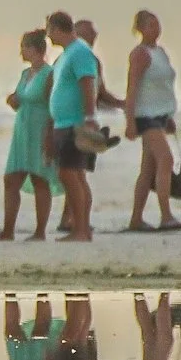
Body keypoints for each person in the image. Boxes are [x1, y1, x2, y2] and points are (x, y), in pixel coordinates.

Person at [0, 29, 60, 241]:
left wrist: (50, 137)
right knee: (11, 179)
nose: (21, 51)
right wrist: (13, 100)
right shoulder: (25, 74)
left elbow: (52, 106)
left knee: (40, 179)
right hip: (22, 129)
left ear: (36, 49)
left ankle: (40, 231)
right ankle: (8, 230)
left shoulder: (49, 74)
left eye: (25, 46)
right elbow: (22, 98)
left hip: (40, 130)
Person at [57, 19, 123, 232]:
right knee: (74, 173)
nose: (93, 37)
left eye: (94, 34)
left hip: (81, 122)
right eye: (89, 34)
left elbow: (99, 92)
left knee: (77, 173)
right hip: (73, 121)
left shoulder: (90, 60)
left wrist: (122, 104)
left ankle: (77, 221)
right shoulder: (67, 57)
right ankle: (71, 219)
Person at [124, 11, 181, 232]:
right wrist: (129, 121)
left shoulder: (160, 52)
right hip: (145, 116)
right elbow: (132, 89)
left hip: (160, 116)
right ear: (140, 28)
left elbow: (165, 86)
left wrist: (169, 116)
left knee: (148, 169)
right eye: (150, 25)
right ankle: (166, 215)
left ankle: (136, 219)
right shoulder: (139, 54)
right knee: (166, 159)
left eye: (157, 24)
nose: (156, 28)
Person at [45, 12, 101, 242]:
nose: (47, 35)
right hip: (62, 122)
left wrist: (89, 116)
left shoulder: (80, 52)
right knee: (74, 175)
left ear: (58, 29)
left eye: (49, 29)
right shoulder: (67, 54)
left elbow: (87, 83)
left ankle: (81, 229)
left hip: (74, 124)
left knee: (70, 175)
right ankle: (80, 227)